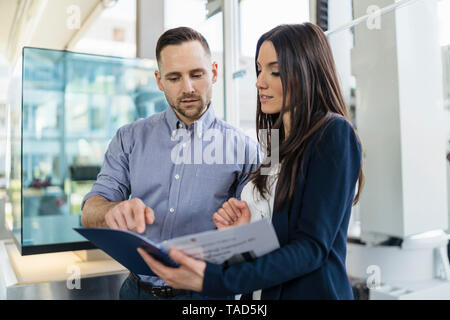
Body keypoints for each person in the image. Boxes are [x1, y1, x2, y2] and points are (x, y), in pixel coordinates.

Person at [137, 23, 365, 300]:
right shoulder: (273, 142)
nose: (259, 81)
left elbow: (310, 248)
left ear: (307, 71)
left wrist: (213, 280)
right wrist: (247, 233)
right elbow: (278, 238)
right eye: (259, 69)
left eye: (275, 71)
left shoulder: (333, 134)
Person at [81, 26, 261, 300]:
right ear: (159, 80)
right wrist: (111, 210)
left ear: (213, 72)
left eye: (196, 74)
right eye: (174, 77)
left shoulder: (245, 149)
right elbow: (90, 211)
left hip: (206, 296)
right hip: (136, 292)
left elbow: (254, 238)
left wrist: (240, 237)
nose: (187, 88)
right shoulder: (129, 138)